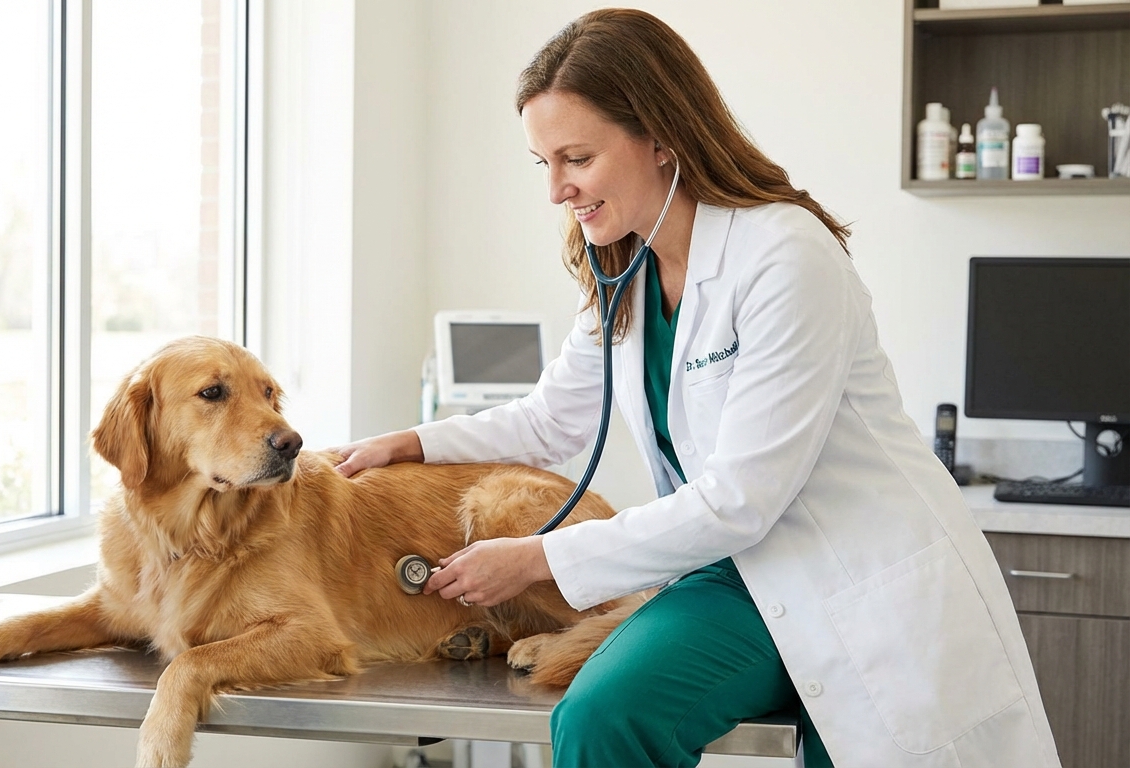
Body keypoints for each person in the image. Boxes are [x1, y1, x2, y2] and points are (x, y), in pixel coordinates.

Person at [331, 8, 1060, 768]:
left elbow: (742, 498)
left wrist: (539, 559)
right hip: (731, 579)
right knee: (601, 718)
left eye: (575, 157)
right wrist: (408, 443)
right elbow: (555, 418)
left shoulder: (784, 256)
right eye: (542, 163)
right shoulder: (625, 270)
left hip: (856, 576)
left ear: (661, 136)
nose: (556, 190)